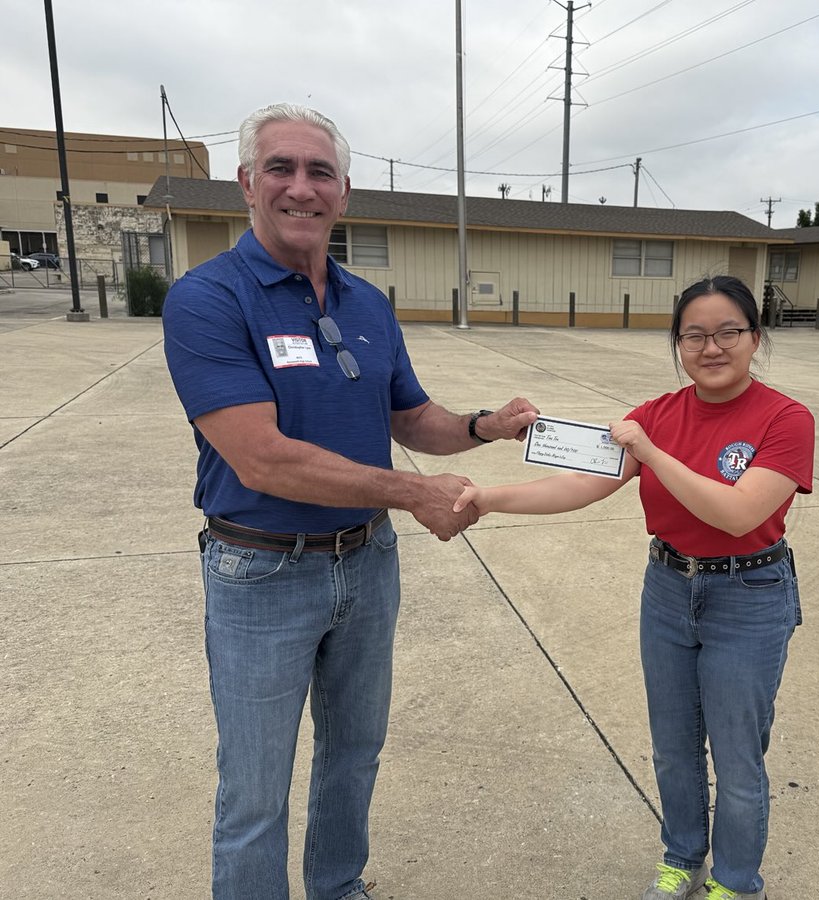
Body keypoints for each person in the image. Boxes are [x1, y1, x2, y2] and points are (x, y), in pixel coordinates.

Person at [162, 102, 538, 900]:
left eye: (320, 172)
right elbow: (262, 458)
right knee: (256, 789)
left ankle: (338, 887)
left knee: (354, 754)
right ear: (246, 186)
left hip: (367, 565)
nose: (302, 188)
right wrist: (411, 492)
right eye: (281, 169)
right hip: (262, 572)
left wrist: (487, 426)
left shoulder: (367, 303)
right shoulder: (207, 300)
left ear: (343, 192)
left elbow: (410, 418)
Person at [453, 275, 814, 900]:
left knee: (736, 757)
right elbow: (582, 483)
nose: (711, 347)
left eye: (728, 332)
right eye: (694, 335)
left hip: (748, 595)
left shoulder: (785, 419)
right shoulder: (657, 415)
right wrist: (489, 498)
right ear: (677, 343)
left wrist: (650, 450)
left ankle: (733, 883)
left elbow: (736, 513)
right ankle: (681, 857)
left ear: (755, 338)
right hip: (670, 589)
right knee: (673, 747)